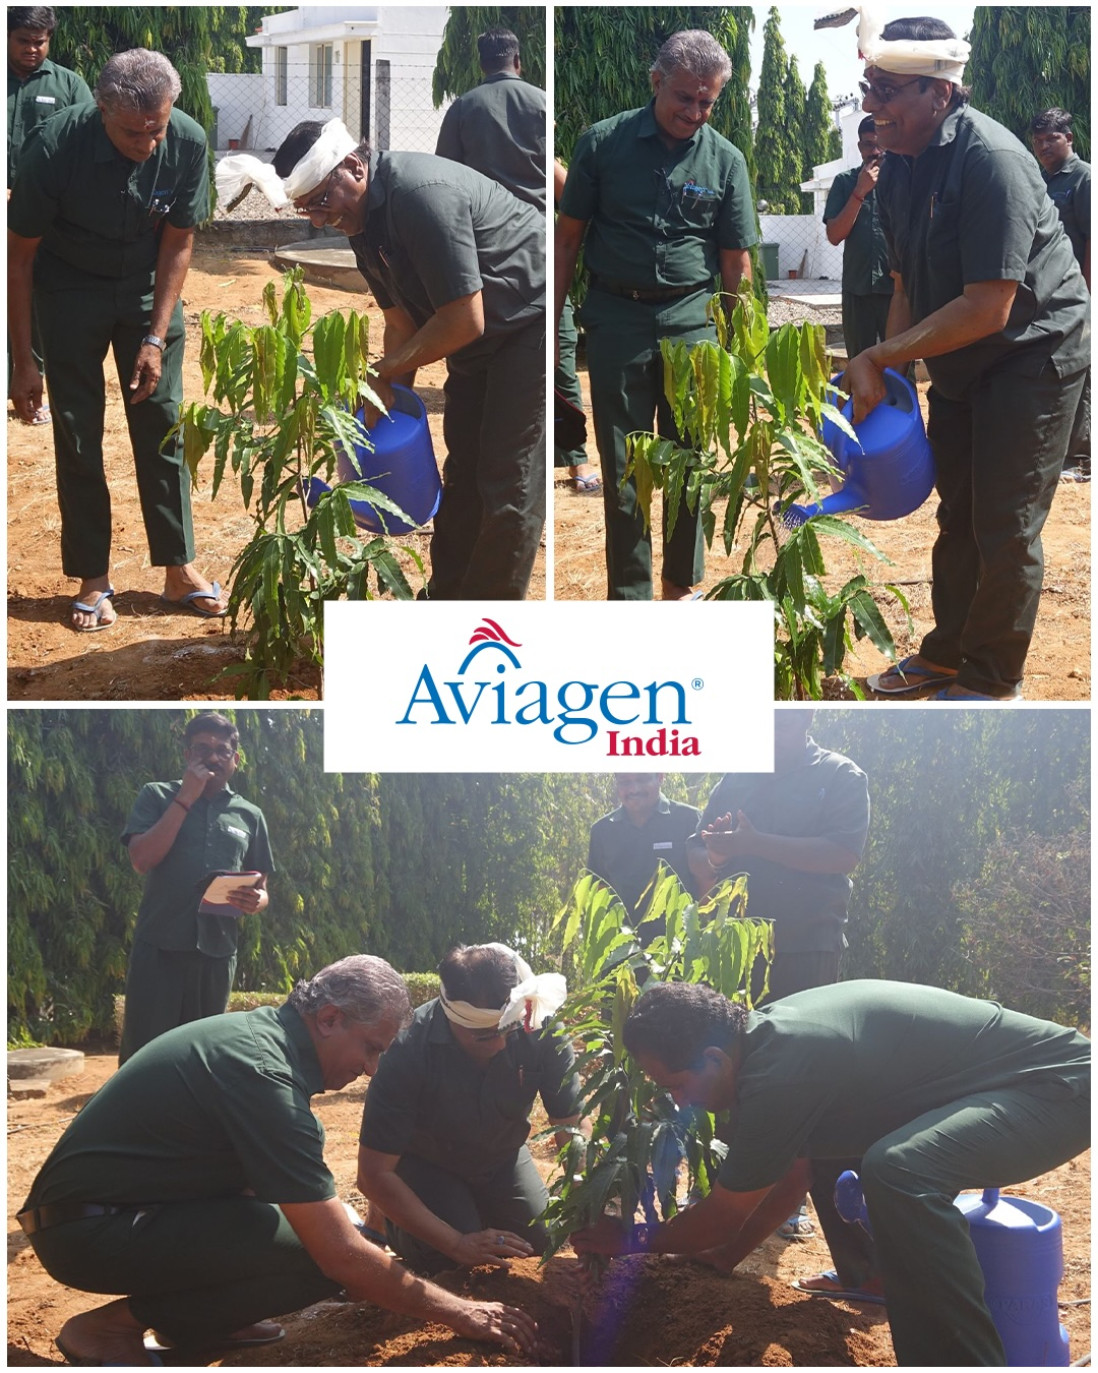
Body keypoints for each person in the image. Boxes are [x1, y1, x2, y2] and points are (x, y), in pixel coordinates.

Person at [17, 955, 539, 1365]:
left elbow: (259, 1187)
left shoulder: (263, 1042)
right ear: (330, 1019)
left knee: (349, 1242)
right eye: (371, 1049)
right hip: (90, 1234)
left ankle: (197, 1321)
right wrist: (461, 1311)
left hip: (124, 1212)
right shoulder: (266, 1078)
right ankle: (111, 1328)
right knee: (329, 1264)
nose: (373, 1069)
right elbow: (341, 1256)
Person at [572, 979, 1090, 1367]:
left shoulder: (781, 1071)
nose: (679, 1101)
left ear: (712, 1059)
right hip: (1024, 1086)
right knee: (883, 1166)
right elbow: (795, 1172)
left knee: (898, 1170)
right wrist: (726, 1258)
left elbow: (724, 1214)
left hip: (1058, 1088)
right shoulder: (762, 1045)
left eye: (678, 1084)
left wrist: (632, 1240)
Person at [834, 14, 1090, 701]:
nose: (871, 104)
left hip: (1031, 354)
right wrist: (887, 371)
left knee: (1004, 522)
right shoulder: (897, 168)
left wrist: (882, 352)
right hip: (962, 357)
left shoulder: (992, 161)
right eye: (869, 85)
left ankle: (989, 679)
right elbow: (905, 284)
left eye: (888, 90)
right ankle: (948, 653)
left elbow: (989, 306)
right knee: (959, 512)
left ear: (940, 93)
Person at [223, 119, 545, 601]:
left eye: (320, 202)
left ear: (354, 166)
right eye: (306, 208)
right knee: (463, 473)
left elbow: (464, 318)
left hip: (526, 322)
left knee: (507, 482)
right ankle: (446, 599)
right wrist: (388, 397)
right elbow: (400, 321)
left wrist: (382, 374)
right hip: (477, 334)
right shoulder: (359, 219)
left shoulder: (420, 196)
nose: (316, 219)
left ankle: (488, 621)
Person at [8, 48, 226, 631]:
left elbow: (179, 241)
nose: (149, 143)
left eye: (157, 128)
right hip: (68, 291)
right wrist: (23, 363)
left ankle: (179, 570)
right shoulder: (55, 147)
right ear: (101, 109)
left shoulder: (185, 141)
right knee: (78, 434)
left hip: (145, 292)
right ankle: (93, 578)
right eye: (134, 132)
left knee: (162, 424)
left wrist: (155, 336)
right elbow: (20, 257)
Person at [555, 30, 757, 600]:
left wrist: (737, 340)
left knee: (691, 460)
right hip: (617, 320)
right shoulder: (602, 144)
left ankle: (680, 587)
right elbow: (568, 239)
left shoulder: (726, 160)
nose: (695, 112)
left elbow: (735, 259)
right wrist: (557, 320)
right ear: (656, 82)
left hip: (693, 321)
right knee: (624, 469)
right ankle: (632, 596)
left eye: (707, 102)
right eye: (685, 98)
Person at [687, 709, 871, 1254]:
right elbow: (701, 853)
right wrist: (715, 854)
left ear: (806, 718)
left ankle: (804, 1213)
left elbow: (844, 853)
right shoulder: (736, 777)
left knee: (803, 1078)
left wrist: (754, 842)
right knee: (734, 1074)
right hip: (735, 952)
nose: (768, 737)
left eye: (781, 726)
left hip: (804, 949)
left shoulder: (839, 775)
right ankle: (733, 1200)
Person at [357, 943, 580, 1276]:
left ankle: (473, 1214)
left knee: (539, 1243)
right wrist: (456, 1243)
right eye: (483, 1036)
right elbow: (373, 1175)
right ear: (451, 1018)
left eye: (508, 1030)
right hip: (428, 1164)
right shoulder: (407, 1049)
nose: (502, 1045)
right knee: (446, 1258)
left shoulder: (541, 1028)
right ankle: (390, 1222)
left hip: (501, 1158)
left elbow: (571, 1128)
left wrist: (587, 1203)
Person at [117, 712, 273, 1065]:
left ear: (236, 759)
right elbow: (142, 859)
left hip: (216, 955)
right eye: (202, 748)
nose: (213, 757)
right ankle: (137, 1120)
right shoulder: (157, 796)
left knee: (203, 1057)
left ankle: (193, 1122)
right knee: (143, 1056)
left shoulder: (249, 815)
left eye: (222, 750)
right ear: (188, 755)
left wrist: (256, 901)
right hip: (159, 950)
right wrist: (186, 798)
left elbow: (262, 886)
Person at [7, 5, 92, 425]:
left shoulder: (69, 86)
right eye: (24, 40)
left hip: (43, 218)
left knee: (34, 298)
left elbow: (88, 149)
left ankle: (29, 380)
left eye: (40, 42)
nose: (32, 49)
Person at [1030, 107, 1090, 480]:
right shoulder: (1045, 180)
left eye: (1051, 138)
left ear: (1069, 138)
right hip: (1053, 294)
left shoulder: (1082, 178)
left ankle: (1081, 457)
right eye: (1037, 141)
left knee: (1080, 369)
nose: (1043, 147)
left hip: (1078, 292)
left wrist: (1086, 292)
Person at [435, 26, 546, 212]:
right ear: (517, 60)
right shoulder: (543, 102)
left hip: (485, 224)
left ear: (482, 65)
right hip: (537, 222)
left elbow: (445, 175)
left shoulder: (462, 107)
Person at [587, 773, 699, 932]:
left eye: (642, 780)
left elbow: (707, 880)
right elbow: (598, 889)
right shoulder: (602, 831)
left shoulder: (688, 820)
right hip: (621, 945)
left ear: (660, 777)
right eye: (625, 782)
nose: (634, 789)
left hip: (678, 943)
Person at [823, 115, 893, 359]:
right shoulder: (845, 182)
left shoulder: (902, 181)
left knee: (900, 367)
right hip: (857, 290)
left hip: (896, 292)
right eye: (866, 145)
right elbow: (834, 235)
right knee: (859, 364)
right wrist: (860, 191)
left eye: (878, 143)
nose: (873, 151)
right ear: (859, 146)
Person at [554, 158, 600, 495]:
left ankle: (577, 458)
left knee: (563, 369)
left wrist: (546, 157)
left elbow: (575, 200)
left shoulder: (545, 162)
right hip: (500, 281)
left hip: (546, 281)